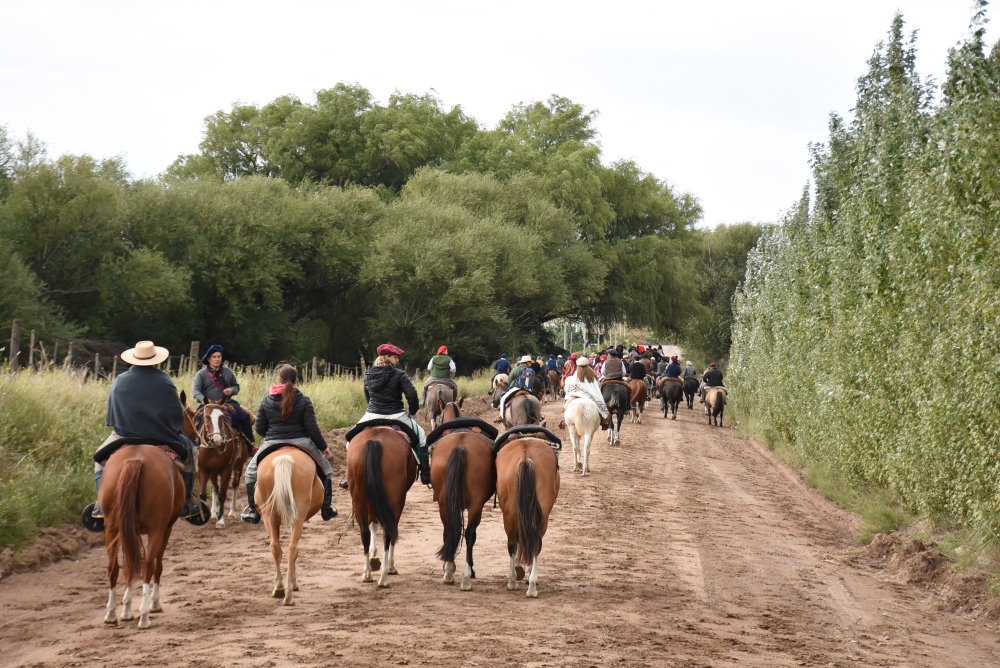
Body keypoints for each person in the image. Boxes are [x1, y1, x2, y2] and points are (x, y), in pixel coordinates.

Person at [92, 341, 196, 519]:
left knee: (99, 459)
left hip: (123, 435)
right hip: (160, 437)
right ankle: (187, 504)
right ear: (155, 360)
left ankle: (102, 505)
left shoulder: (120, 380)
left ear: (134, 359)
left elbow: (112, 410)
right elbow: (175, 412)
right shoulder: (165, 380)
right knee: (192, 454)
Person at [242, 365, 336, 524]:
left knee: (250, 473)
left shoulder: (266, 400)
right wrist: (323, 447)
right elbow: (312, 429)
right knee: (327, 470)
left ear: (279, 380)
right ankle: (326, 508)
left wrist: (272, 437)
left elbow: (259, 428)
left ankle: (253, 511)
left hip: (272, 441)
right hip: (301, 441)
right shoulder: (304, 400)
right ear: (296, 381)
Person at [357, 343, 430, 484]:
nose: (397, 360)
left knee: (349, 441)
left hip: (372, 415)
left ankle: (351, 474)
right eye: (395, 357)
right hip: (396, 415)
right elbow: (412, 394)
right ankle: (426, 474)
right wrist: (413, 411)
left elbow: (367, 396)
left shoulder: (368, 374)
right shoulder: (399, 374)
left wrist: (374, 408)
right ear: (387, 357)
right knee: (421, 436)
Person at [192, 344, 255, 456]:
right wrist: (203, 400)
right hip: (208, 405)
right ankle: (192, 446)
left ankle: (250, 445)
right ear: (208, 359)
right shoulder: (201, 374)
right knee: (194, 420)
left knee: (244, 416)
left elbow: (236, 386)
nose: (217, 359)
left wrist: (231, 390)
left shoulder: (228, 371)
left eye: (219, 357)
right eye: (214, 357)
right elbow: (196, 391)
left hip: (226, 403)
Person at [563, 357, 609, 429]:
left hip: (576, 396)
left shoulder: (576, 374)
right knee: (599, 408)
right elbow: (596, 387)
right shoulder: (592, 375)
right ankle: (603, 421)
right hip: (591, 397)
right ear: (588, 365)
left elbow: (572, 387)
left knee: (565, 406)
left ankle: (564, 422)